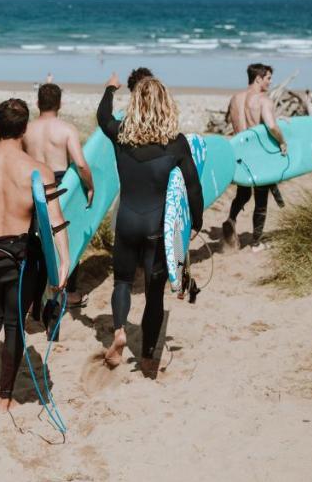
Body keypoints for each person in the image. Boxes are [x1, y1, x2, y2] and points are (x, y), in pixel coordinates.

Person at [0, 99, 70, 413]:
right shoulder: (39, 170)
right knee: (14, 324)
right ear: (24, 129)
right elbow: (56, 221)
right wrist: (64, 261)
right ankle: (4, 397)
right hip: (20, 256)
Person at [96, 74, 202, 378]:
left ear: (135, 103)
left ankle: (119, 330)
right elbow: (193, 188)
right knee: (155, 297)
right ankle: (147, 360)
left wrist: (109, 89)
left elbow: (103, 116)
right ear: (164, 104)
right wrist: (194, 222)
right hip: (156, 228)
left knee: (122, 283)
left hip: (127, 221)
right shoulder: (176, 144)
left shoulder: (120, 134)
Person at [22, 82, 94, 307]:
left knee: (35, 239)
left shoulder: (26, 130)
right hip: (60, 186)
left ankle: (35, 295)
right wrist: (90, 186)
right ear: (60, 104)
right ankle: (69, 293)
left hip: (33, 187)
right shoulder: (66, 129)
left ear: (37, 103)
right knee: (65, 237)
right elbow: (81, 164)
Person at [222, 63, 285, 252]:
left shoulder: (235, 99)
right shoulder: (263, 100)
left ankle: (231, 219)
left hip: (239, 153)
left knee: (243, 193)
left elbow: (233, 122)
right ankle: (256, 243)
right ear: (258, 79)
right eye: (268, 78)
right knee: (261, 199)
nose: (270, 82)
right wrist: (282, 141)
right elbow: (272, 127)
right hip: (257, 155)